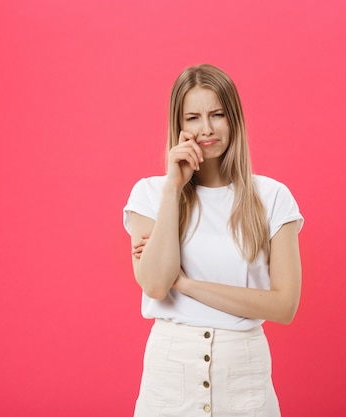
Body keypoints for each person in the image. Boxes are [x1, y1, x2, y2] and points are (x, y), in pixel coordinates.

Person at [123, 64, 303, 416]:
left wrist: (187, 284)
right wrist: (174, 187)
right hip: (170, 375)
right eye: (193, 117)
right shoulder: (150, 194)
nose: (206, 129)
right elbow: (157, 285)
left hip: (244, 374)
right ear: (179, 125)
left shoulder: (272, 197)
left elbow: (284, 306)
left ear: (233, 119)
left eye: (218, 114)